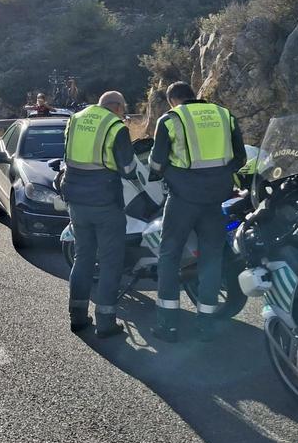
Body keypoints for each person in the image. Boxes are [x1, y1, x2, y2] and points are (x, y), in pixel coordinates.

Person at [147, 81, 245, 343]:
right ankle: (207, 325)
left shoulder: (170, 119)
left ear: (172, 100)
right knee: (211, 260)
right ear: (194, 96)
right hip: (216, 199)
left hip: (182, 199)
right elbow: (241, 159)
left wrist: (165, 172)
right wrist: (220, 174)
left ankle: (167, 325)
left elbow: (156, 162)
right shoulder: (225, 115)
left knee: (169, 255)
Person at [61, 91, 138, 338]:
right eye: (123, 109)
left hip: (75, 199)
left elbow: (68, 154)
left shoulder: (75, 119)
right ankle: (105, 323)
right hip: (105, 202)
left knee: (83, 258)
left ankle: (78, 317)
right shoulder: (116, 127)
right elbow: (127, 168)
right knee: (110, 262)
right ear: (116, 107)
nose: (123, 113)